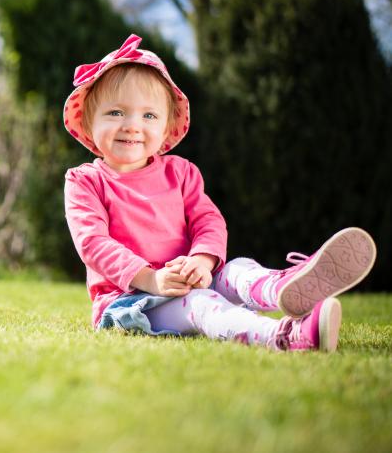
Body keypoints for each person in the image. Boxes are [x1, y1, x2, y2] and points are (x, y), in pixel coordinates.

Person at [63, 34, 377, 351]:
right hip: (130, 301)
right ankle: (284, 336)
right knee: (201, 304)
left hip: (192, 277)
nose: (132, 125)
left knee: (238, 267)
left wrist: (201, 260)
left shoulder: (181, 172)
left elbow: (208, 220)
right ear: (89, 122)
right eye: (116, 113)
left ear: (165, 129)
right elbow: (93, 243)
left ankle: (282, 287)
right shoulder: (85, 180)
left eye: (149, 115)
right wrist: (150, 279)